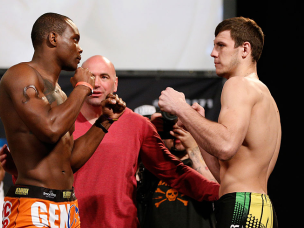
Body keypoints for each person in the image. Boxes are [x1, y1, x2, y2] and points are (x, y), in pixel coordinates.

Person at [0, 13, 126, 228]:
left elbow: (68, 163)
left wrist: (104, 122)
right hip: (32, 205)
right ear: (53, 39)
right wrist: (84, 87)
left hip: (67, 208)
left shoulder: (61, 95)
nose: (80, 48)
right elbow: (50, 129)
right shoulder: (20, 75)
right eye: (74, 39)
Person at [70, 55, 219, 228]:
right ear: (77, 81)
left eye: (104, 77)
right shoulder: (63, 121)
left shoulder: (137, 124)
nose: (96, 84)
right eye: (90, 76)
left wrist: (221, 192)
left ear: (115, 83)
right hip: (70, 223)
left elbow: (172, 171)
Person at [158, 17, 280, 228]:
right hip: (259, 209)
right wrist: (197, 125)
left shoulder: (238, 84)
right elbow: (223, 174)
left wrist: (180, 107)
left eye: (221, 45)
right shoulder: (266, 97)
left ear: (245, 49)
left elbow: (225, 146)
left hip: (242, 208)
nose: (213, 53)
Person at [137, 112, 216, 228]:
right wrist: (149, 132)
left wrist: (192, 146)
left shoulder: (207, 162)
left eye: (184, 126)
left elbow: (213, 188)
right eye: (171, 125)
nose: (177, 131)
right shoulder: (152, 165)